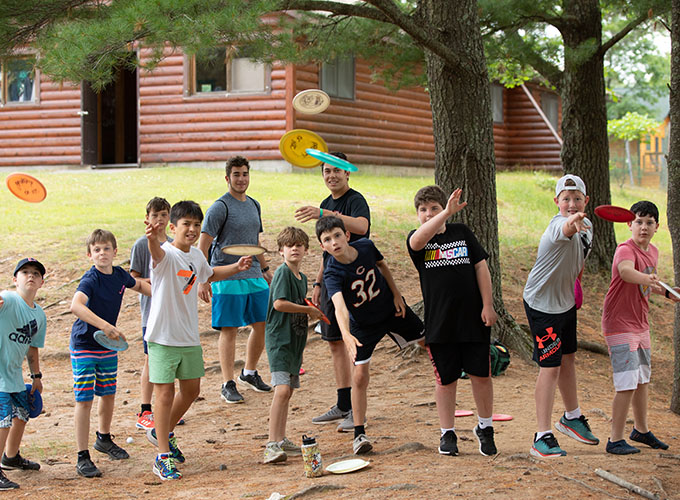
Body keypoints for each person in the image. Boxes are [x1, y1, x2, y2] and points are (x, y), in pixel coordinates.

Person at [145, 200, 252, 480]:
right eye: (186, 224)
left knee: (191, 391)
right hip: (163, 337)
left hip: (189, 336)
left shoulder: (196, 256)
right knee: (165, 394)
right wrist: (152, 240)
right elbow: (156, 254)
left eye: (196, 225)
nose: (191, 229)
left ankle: (161, 431)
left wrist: (237, 267)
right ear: (173, 227)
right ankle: (162, 456)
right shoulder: (166, 254)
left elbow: (210, 274)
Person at [316, 216, 424, 455]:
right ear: (322, 247)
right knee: (360, 375)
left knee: (428, 342)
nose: (334, 242)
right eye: (327, 240)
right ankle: (359, 434)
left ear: (347, 235)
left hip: (391, 310)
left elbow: (383, 265)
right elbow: (340, 306)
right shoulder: (332, 273)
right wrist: (345, 334)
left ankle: (450, 378)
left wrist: (397, 294)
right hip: (363, 325)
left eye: (337, 235)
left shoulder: (365, 246)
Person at [407, 186, 499, 456]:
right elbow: (417, 242)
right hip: (440, 323)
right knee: (445, 381)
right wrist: (446, 212)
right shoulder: (418, 240)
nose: (428, 214)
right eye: (423, 210)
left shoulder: (462, 233)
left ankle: (485, 426)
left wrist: (488, 305)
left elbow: (481, 267)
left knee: (481, 375)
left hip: (473, 320)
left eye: (434, 208)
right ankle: (447, 433)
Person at [523, 174, 599, 458]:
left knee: (568, 359)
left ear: (585, 201)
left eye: (577, 198)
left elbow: (578, 259)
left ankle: (571, 417)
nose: (571, 203)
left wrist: (574, 287)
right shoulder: (559, 225)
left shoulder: (588, 226)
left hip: (565, 304)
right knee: (550, 367)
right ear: (556, 202)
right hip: (542, 306)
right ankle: (541, 435)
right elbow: (567, 228)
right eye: (565, 199)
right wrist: (571, 221)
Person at [295, 152, 370, 432]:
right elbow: (326, 249)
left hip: (353, 280)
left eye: (337, 171)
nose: (332, 176)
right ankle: (343, 404)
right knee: (335, 341)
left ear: (347, 173)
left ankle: (356, 409)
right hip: (330, 279)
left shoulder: (355, 200)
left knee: (354, 343)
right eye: (327, 171)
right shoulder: (326, 203)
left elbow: (362, 227)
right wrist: (317, 283)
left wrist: (324, 214)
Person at [69, 230, 151, 478]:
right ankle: (82, 456)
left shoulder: (119, 276)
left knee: (107, 394)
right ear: (89, 255)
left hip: (108, 346)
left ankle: (103, 439)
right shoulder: (90, 279)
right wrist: (105, 325)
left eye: (106, 249)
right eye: (97, 250)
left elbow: (142, 286)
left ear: (115, 252)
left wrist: (174, 286)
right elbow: (76, 305)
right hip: (84, 344)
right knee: (84, 400)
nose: (102, 253)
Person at [602, 201, 677, 454]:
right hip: (619, 324)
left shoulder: (653, 251)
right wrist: (647, 278)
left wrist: (667, 293)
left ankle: (641, 430)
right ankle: (614, 440)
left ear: (657, 227)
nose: (643, 227)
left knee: (642, 379)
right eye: (639, 222)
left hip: (640, 324)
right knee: (627, 383)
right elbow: (625, 273)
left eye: (649, 223)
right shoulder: (625, 249)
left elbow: (648, 284)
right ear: (629, 224)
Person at [198, 156, 273, 404]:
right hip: (226, 275)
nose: (241, 179)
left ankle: (249, 373)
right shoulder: (220, 207)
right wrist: (203, 278)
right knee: (229, 329)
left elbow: (255, 241)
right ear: (227, 178)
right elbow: (204, 245)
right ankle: (227, 382)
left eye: (245, 174)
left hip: (253, 275)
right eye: (236, 174)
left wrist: (265, 268)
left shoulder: (254, 205)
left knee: (261, 324)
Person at [262, 227, 323, 464]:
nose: (294, 248)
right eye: (289, 245)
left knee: (288, 392)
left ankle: (280, 439)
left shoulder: (302, 278)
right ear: (281, 251)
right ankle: (271, 444)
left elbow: (296, 303)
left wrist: (311, 311)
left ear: (306, 250)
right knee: (282, 389)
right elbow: (279, 304)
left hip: (295, 341)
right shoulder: (282, 273)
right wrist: (307, 309)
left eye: (299, 245)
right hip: (279, 340)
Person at [0, 258, 47, 490]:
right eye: (25, 272)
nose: (30, 276)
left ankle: (10, 456)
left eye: (36, 273)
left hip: (14, 375)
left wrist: (36, 376)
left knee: (22, 413)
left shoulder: (39, 315)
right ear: (15, 279)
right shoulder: (8, 299)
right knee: (3, 420)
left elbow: (32, 347)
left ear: (41, 282)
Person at [129, 197, 172, 431]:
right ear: (147, 218)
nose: (159, 220)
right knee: (150, 360)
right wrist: (155, 283)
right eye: (155, 215)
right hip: (151, 315)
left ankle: (164, 409)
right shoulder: (140, 245)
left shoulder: (175, 245)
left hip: (173, 315)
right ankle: (145, 409)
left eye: (163, 215)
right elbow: (132, 279)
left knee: (168, 361)